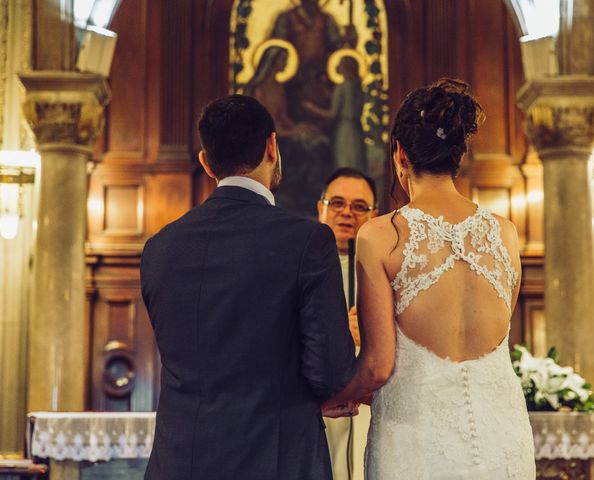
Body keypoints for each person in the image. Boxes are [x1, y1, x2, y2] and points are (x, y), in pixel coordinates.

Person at [322, 79, 536, 479]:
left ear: (400, 153)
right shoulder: (504, 232)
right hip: (503, 438)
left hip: (416, 443)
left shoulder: (381, 235)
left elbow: (377, 367)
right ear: (459, 154)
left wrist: (335, 398)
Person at [140, 95, 358, 480]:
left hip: (180, 462)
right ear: (272, 146)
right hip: (276, 459)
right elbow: (331, 370)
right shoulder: (307, 241)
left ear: (206, 163)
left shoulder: (160, 247)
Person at [317, 168, 378, 480]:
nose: (346, 214)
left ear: (374, 214)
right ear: (321, 208)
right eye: (337, 203)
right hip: (319, 409)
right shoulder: (299, 269)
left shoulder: (385, 271)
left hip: (372, 405)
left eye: (358, 207)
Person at [304, 56, 366, 171]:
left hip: (345, 130)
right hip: (357, 129)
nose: (337, 67)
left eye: (340, 64)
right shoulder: (357, 87)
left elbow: (332, 114)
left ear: (345, 68)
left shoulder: (341, 88)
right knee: (356, 163)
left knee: (345, 163)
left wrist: (311, 107)